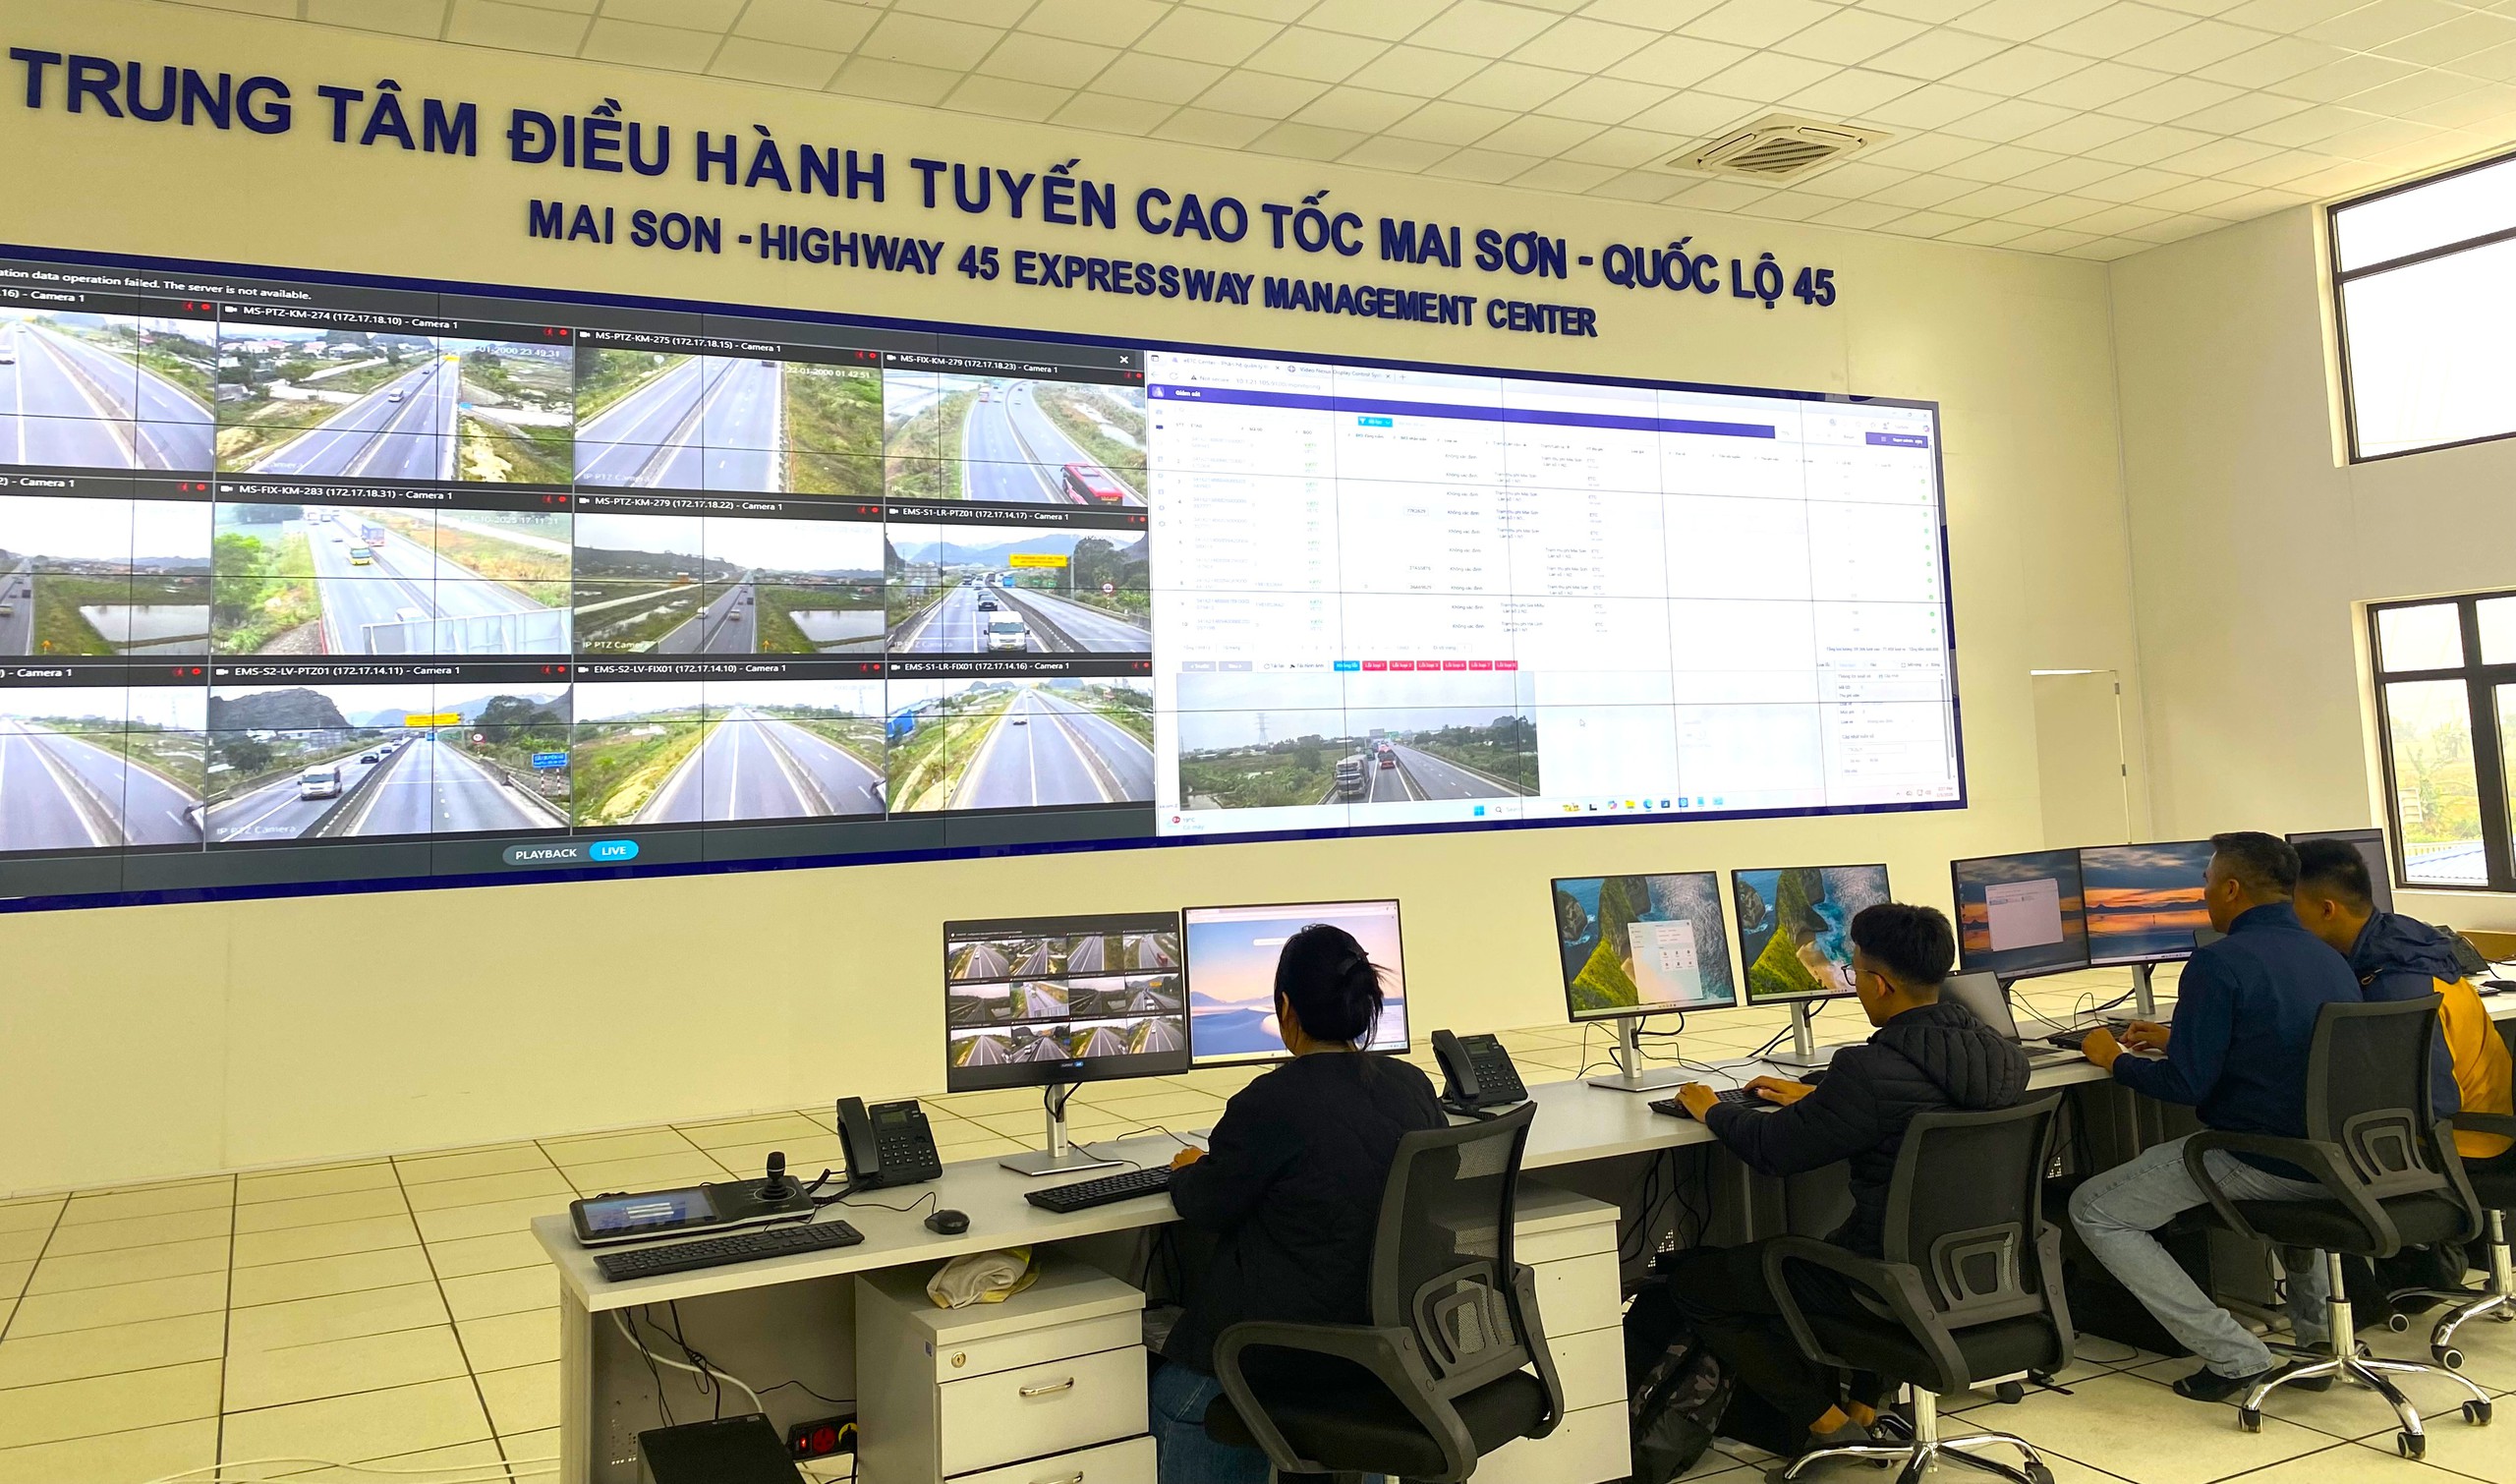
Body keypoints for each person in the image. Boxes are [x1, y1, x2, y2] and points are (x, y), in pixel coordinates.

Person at [1664, 902, 2030, 1458]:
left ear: (1880, 985)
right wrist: (1823, 1097)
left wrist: (1712, 1109)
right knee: (1869, 1244)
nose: (1854, 984)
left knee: (1697, 1283)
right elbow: (1913, 1101)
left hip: (1883, 1285)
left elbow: (1773, 1150)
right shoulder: (2005, 1060)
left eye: (1854, 973)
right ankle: (1863, 1406)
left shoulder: (1868, 1070)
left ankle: (1827, 1423)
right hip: (1980, 1271)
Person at [1146, 923, 1446, 1484]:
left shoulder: (1269, 1102)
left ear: (1286, 1008)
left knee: (1175, 1395)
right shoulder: (1413, 1087)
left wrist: (1189, 1170)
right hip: (1391, 1358)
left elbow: (1207, 1206)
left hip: (1286, 1360)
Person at [2070, 831, 2364, 1401]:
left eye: (2206, 883)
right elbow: (2281, 1044)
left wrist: (2113, 1060)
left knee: (2096, 1210)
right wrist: (2183, 1038)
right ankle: (2319, 1341)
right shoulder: (2328, 956)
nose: (2202, 894)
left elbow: (2185, 1085)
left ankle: (2235, 1355)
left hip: (2260, 1158)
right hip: (2337, 1159)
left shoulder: (2218, 962)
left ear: (2231, 890)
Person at [2292, 837, 2514, 1309]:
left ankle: (2361, 1309)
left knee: (2297, 1158)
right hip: (2479, 1125)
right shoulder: (2404, 946)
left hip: (2462, 1140)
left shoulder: (2396, 985)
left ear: (2327, 909)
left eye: (2289, 909)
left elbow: (2426, 1103)